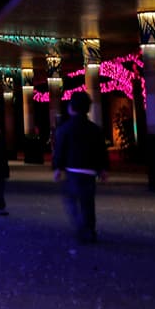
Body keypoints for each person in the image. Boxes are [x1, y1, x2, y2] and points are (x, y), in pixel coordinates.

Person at [53, 90, 109, 243]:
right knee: (88, 202)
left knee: (72, 201)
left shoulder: (65, 128)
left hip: (73, 170)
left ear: (71, 108)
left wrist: (58, 167)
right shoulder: (95, 129)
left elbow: (60, 150)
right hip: (90, 171)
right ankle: (90, 229)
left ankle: (82, 227)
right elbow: (101, 150)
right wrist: (102, 169)